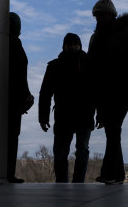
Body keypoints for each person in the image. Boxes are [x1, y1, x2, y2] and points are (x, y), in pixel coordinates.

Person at [86, 0, 128, 184]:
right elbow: (91, 68)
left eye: (102, 15)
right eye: (97, 16)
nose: (99, 19)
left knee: (113, 130)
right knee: (113, 133)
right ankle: (118, 174)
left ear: (112, 15)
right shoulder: (96, 38)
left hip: (121, 90)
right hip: (103, 92)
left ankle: (109, 173)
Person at [39, 33, 95, 183]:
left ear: (80, 45)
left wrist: (101, 115)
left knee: (81, 151)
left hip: (84, 114)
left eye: (75, 44)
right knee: (61, 153)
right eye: (69, 44)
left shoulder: (89, 64)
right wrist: (43, 117)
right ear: (64, 46)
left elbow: (97, 91)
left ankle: (78, 182)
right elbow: (45, 93)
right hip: (64, 115)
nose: (72, 47)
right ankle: (62, 182)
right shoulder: (54, 66)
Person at [8, 12, 34, 184]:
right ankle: (8, 172)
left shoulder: (7, 44)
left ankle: (6, 172)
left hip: (11, 97)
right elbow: (19, 76)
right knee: (11, 135)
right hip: (13, 99)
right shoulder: (15, 45)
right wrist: (26, 96)